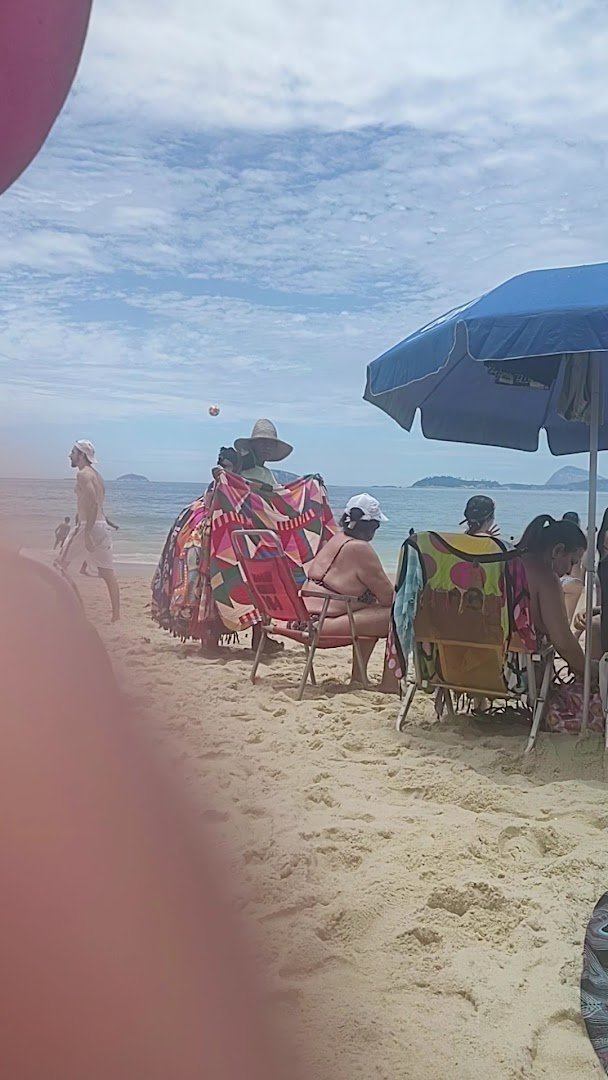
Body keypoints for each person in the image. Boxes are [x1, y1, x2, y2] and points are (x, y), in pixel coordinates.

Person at [302, 494, 395, 687]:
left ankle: (359, 678)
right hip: (321, 625)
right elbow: (388, 598)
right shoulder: (360, 549)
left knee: (372, 613)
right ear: (372, 526)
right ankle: (390, 684)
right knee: (398, 617)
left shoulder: (337, 539)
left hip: (302, 620)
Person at [516, 514, 589, 677]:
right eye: (572, 561)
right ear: (558, 550)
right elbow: (563, 642)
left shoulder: (510, 562)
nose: (569, 571)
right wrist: (588, 671)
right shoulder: (546, 577)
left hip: (486, 662)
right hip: (521, 673)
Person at [57, 440, 120, 623]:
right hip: (101, 526)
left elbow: (92, 503)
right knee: (108, 574)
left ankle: (68, 606)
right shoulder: (97, 476)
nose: (70, 455)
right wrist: (106, 521)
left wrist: (86, 533)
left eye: (73, 452)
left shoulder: (83, 474)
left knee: (59, 566)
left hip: (87, 526)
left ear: (82, 455)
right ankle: (116, 616)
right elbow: (99, 504)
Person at [235, 419, 293, 489]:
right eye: (263, 442)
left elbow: (275, 492)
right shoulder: (239, 467)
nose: (268, 447)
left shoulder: (268, 473)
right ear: (253, 444)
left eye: (271, 444)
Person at [560, 511, 586, 622]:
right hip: (572, 581)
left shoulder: (557, 538)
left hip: (555, 579)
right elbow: (584, 563)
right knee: (567, 619)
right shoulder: (580, 540)